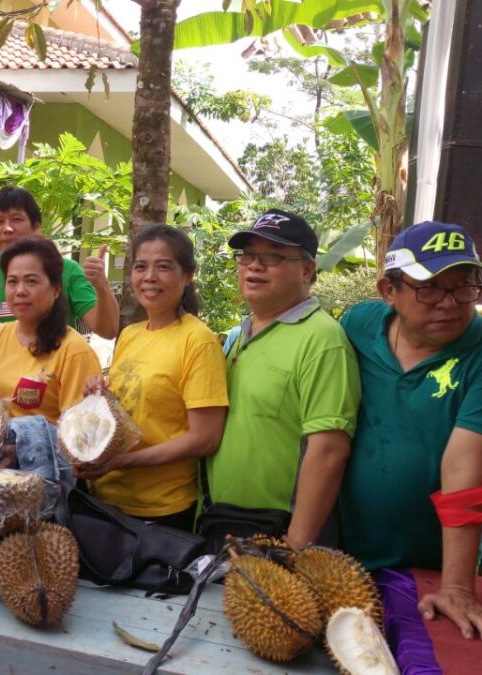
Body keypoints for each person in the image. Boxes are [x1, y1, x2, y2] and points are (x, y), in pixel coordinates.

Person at [338, 221, 482, 639]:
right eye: (431, 287)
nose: (450, 303)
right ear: (388, 291)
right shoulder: (358, 326)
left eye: (465, 286)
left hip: (434, 569)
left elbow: (464, 465)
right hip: (350, 555)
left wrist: (457, 586)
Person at [207, 209, 360, 549]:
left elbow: (329, 450)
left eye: (273, 256)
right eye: (248, 255)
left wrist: (295, 545)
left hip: (279, 533)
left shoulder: (323, 339)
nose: (254, 266)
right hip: (224, 523)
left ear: (307, 270)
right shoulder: (238, 335)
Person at [78, 225, 228, 530]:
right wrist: (97, 393)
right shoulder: (131, 334)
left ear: (188, 276)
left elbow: (205, 438)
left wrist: (122, 462)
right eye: (141, 266)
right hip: (105, 497)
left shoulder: (198, 341)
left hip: (161, 511)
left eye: (163, 267)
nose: (149, 277)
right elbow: (127, 408)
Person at [0, 236, 100, 425]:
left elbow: (79, 435)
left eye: (31, 281)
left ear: (56, 290)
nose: (20, 291)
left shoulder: (74, 352)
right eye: (12, 282)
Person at [0, 186, 118, 345]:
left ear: (36, 227)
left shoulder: (66, 270)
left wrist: (101, 285)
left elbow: (107, 330)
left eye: (16, 219)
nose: (7, 229)